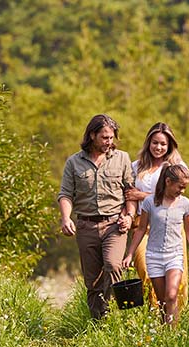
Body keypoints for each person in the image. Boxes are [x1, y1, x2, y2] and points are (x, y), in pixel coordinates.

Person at [58, 114, 137, 319]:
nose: (109, 142)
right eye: (105, 138)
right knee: (93, 281)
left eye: (111, 138)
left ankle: (121, 316)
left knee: (113, 266)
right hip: (86, 226)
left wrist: (129, 216)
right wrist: (66, 218)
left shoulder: (122, 159)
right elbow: (65, 194)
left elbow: (130, 193)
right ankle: (99, 322)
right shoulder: (74, 162)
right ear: (92, 135)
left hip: (114, 225)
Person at [122, 163, 189, 326]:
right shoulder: (150, 202)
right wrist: (129, 254)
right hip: (154, 256)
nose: (182, 191)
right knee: (162, 300)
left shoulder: (185, 203)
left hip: (174, 255)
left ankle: (173, 333)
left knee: (171, 295)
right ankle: (166, 334)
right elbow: (141, 229)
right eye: (180, 187)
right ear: (168, 182)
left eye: (185, 188)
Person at [124, 122, 189, 310]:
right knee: (145, 270)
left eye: (163, 144)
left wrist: (142, 195)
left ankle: (170, 323)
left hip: (170, 227)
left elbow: (177, 197)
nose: (158, 147)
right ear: (148, 143)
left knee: (174, 281)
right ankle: (152, 314)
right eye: (155, 143)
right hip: (142, 226)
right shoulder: (136, 167)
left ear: (170, 146)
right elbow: (128, 195)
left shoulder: (176, 167)